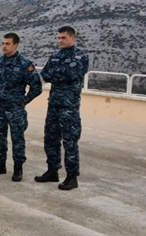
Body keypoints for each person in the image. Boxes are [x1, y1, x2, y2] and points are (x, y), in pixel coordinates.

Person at [35, 26, 89, 190]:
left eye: (63, 38)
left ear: (72, 38)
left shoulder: (80, 56)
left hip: (69, 107)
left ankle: (72, 177)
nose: (60, 41)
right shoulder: (55, 55)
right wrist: (61, 73)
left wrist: (57, 73)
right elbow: (45, 74)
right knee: (50, 139)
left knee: (70, 142)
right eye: (58, 38)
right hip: (54, 104)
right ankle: (53, 170)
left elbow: (73, 73)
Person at [0, 33, 42, 182]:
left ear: (15, 45)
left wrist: (24, 101)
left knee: (17, 139)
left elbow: (36, 87)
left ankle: (18, 168)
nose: (4, 46)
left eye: (8, 43)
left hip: (15, 109)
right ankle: (0, 164)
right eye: (3, 43)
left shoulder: (24, 64)